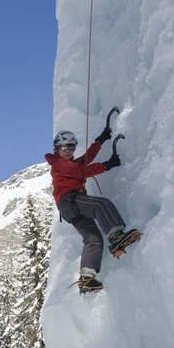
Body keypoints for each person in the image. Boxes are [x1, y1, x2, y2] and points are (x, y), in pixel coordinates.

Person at [45, 126, 140, 294]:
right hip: (69, 201)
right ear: (57, 149)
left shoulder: (69, 163)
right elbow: (82, 171)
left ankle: (86, 278)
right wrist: (108, 165)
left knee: (93, 239)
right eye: (64, 147)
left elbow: (87, 158)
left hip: (69, 210)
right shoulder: (59, 164)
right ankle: (117, 236)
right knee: (101, 205)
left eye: (71, 147)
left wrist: (100, 140)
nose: (68, 151)